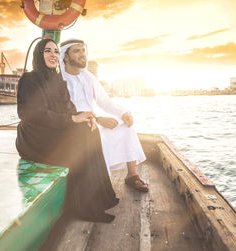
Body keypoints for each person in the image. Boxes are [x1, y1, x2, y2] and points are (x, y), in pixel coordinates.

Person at [16, 38, 119, 223]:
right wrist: (72, 119)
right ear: (39, 54)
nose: (53, 55)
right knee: (79, 141)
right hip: (34, 139)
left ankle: (102, 197)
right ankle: (84, 207)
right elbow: (30, 114)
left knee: (90, 130)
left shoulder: (57, 79)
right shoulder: (29, 79)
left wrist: (86, 117)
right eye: (48, 51)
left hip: (53, 130)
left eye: (56, 51)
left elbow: (68, 108)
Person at [59, 39, 148, 192]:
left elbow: (104, 101)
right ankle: (101, 183)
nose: (82, 55)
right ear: (65, 57)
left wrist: (123, 112)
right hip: (73, 126)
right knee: (96, 133)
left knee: (125, 125)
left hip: (93, 121)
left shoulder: (87, 77)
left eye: (83, 51)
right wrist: (99, 120)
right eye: (76, 51)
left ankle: (132, 175)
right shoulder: (60, 80)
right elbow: (64, 111)